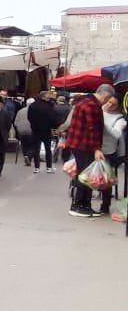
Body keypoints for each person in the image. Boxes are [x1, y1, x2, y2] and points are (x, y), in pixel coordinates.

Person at [64, 85, 111, 219]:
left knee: (85, 175)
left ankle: (84, 205)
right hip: (85, 145)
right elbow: (92, 129)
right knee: (85, 176)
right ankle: (78, 205)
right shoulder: (92, 105)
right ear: (105, 96)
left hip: (79, 144)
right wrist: (97, 149)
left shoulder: (84, 101)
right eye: (107, 100)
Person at [96, 93, 126, 216]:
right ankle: (83, 202)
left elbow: (117, 134)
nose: (109, 105)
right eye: (109, 102)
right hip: (94, 148)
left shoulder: (120, 119)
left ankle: (105, 205)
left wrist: (104, 124)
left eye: (113, 104)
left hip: (108, 151)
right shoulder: (99, 110)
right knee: (90, 175)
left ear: (118, 107)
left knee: (106, 180)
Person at [29, 91, 58, 173]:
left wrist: (33, 125)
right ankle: (49, 167)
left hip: (36, 130)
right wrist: (53, 127)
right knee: (48, 149)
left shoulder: (33, 105)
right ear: (43, 97)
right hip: (47, 130)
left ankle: (36, 167)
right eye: (48, 95)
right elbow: (53, 118)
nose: (49, 97)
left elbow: (30, 117)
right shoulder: (50, 106)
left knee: (36, 149)